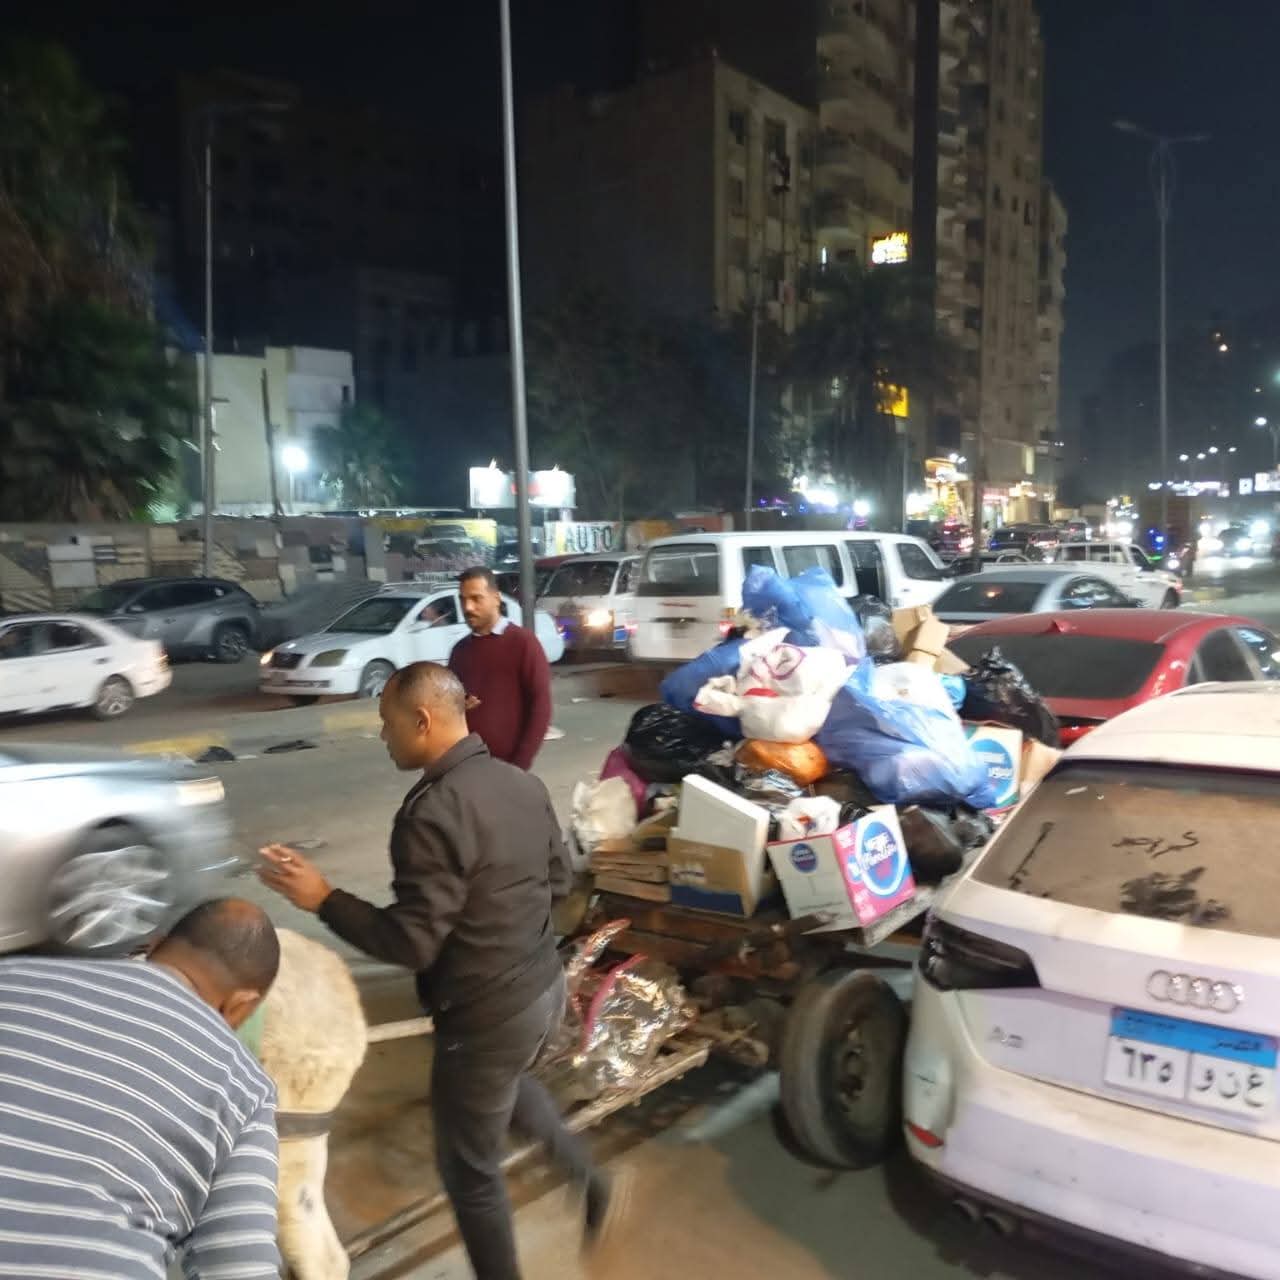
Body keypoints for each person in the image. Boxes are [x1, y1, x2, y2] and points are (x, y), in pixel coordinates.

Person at [259, 661, 616, 1280]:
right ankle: (590, 1179)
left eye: (387, 723)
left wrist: (323, 899)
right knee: (508, 1087)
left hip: (485, 1018)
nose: (383, 736)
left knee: (470, 1173)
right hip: (543, 990)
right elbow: (559, 882)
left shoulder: (430, 813)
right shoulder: (519, 782)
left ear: (421, 720)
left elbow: (412, 943)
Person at [0, 898, 283, 1280]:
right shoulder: (243, 1083)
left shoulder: (12, 976)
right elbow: (240, 1267)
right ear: (242, 1004)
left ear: (154, 946)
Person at [447, 565, 552, 770]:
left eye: (476, 598)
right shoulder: (459, 651)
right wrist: (459, 705)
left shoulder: (522, 643)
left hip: (509, 768)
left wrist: (519, 766)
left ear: (496, 598)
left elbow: (541, 707)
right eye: (463, 600)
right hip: (466, 768)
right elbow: (448, 706)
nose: (468, 607)